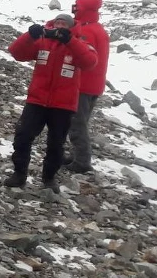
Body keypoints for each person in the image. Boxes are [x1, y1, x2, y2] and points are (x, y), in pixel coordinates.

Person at [5, 13, 98, 192]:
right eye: (57, 23)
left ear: (71, 28)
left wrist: (70, 41)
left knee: (56, 144)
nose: (59, 26)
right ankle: (19, 174)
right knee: (23, 136)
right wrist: (29, 35)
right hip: (37, 101)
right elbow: (16, 53)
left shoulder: (80, 43)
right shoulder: (42, 41)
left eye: (63, 24)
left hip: (63, 105)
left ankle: (49, 178)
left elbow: (89, 62)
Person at [64, 0, 109, 173]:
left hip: (83, 85)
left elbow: (83, 57)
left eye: (77, 6)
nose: (74, 9)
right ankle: (78, 157)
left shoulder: (87, 31)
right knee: (81, 122)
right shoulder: (97, 28)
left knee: (76, 124)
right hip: (93, 86)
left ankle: (82, 161)